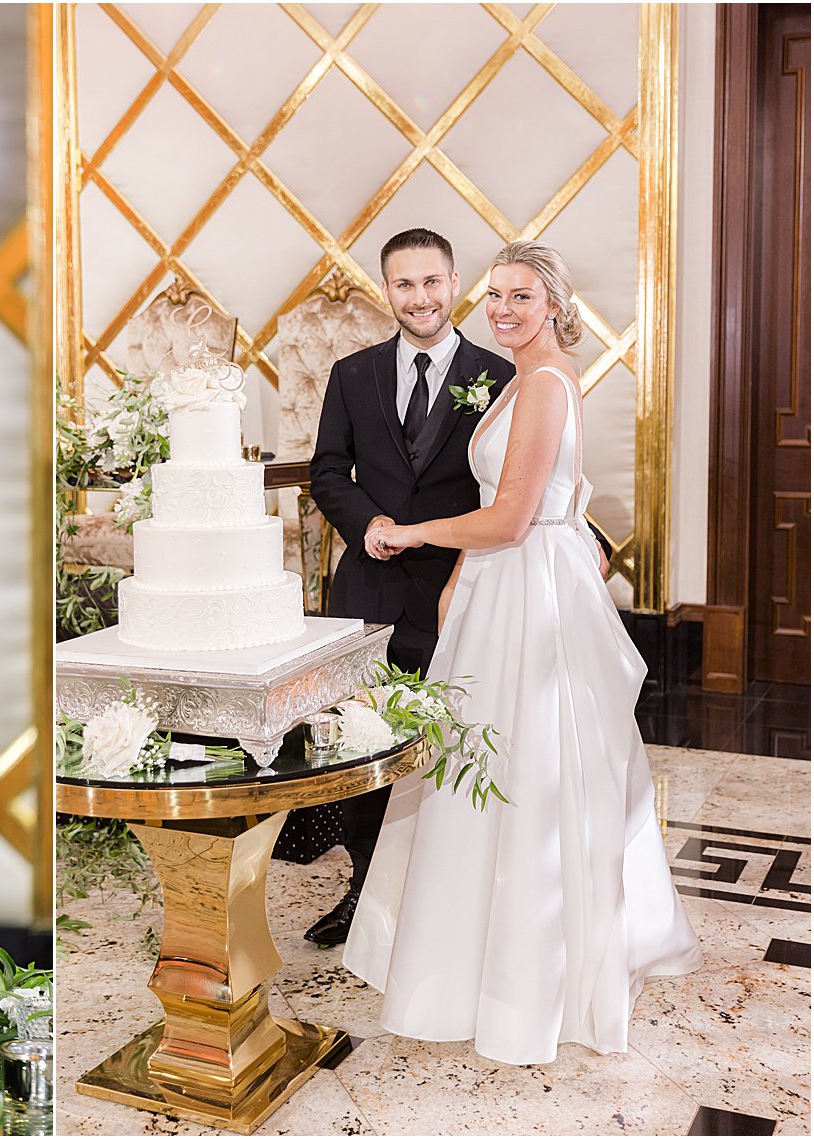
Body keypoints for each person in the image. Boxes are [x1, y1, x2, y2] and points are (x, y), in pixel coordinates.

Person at [341, 240, 701, 1065]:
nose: (502, 309)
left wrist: (414, 532)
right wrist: (457, 576)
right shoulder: (519, 378)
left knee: (528, 770)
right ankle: (463, 952)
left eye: (520, 297)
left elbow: (512, 517)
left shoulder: (543, 383)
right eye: (496, 295)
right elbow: (521, 503)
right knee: (480, 769)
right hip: (500, 588)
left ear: (553, 304)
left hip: (531, 595)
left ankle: (526, 970)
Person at [303, 228, 515, 946]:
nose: (419, 297)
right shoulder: (353, 374)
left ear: (454, 283)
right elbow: (328, 470)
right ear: (385, 289)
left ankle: (447, 906)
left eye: (431, 282)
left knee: (450, 746)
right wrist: (366, 523)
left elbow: (516, 485)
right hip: (367, 591)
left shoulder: (501, 374)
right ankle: (362, 896)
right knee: (364, 748)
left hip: (457, 587)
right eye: (403, 284)